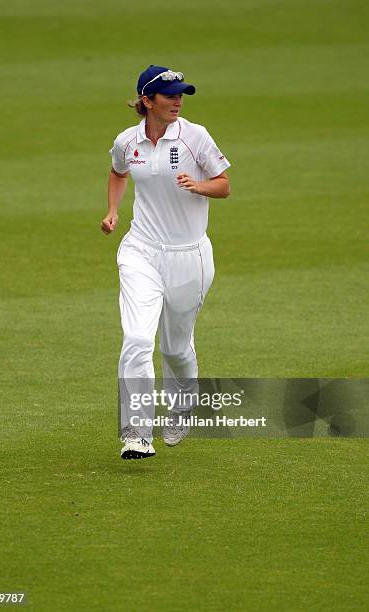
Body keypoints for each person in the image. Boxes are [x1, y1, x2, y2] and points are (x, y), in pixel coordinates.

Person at [101, 65, 231, 459]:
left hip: (188, 256)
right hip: (141, 249)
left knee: (175, 349)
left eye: (181, 95)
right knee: (139, 339)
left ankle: (183, 407)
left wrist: (199, 185)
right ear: (146, 100)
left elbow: (224, 185)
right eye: (170, 95)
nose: (178, 101)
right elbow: (117, 171)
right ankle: (137, 432)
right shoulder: (128, 141)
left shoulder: (195, 136)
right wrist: (113, 211)